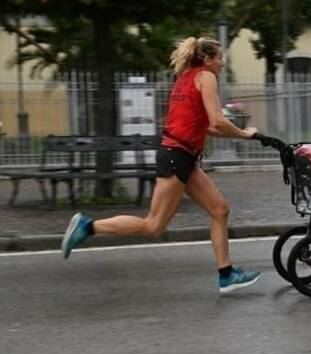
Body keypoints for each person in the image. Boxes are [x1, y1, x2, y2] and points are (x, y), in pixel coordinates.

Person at [61, 36, 260, 294]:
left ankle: (226, 275)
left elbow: (210, 127)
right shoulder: (205, 77)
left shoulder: (187, 78)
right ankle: (87, 226)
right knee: (154, 225)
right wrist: (245, 134)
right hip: (177, 155)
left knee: (220, 210)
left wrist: (247, 136)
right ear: (208, 59)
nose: (222, 64)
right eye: (220, 58)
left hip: (183, 155)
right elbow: (218, 120)